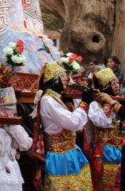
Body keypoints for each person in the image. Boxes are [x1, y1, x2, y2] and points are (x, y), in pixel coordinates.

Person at [34, 62, 93, 190]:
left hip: (68, 152)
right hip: (59, 155)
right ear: (55, 81)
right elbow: (72, 122)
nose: (66, 79)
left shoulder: (55, 98)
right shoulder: (48, 100)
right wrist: (84, 103)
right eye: (62, 76)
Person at [88, 68, 125, 190]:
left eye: (117, 82)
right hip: (106, 150)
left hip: (122, 147)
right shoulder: (95, 105)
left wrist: (114, 103)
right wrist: (108, 103)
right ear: (105, 87)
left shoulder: (124, 102)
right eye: (112, 83)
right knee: (106, 184)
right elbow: (102, 122)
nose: (117, 85)